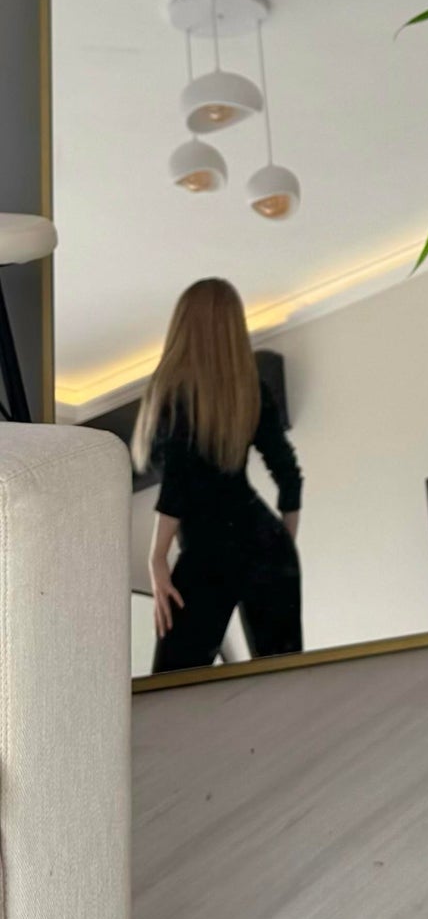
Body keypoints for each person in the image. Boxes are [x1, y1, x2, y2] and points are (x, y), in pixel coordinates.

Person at [134, 275, 304, 673]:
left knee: (173, 686)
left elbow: (178, 484)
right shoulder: (251, 392)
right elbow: (289, 475)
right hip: (264, 543)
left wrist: (157, 557)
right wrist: (282, 545)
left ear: (184, 327)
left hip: (206, 553)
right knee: (285, 685)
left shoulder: (173, 395)